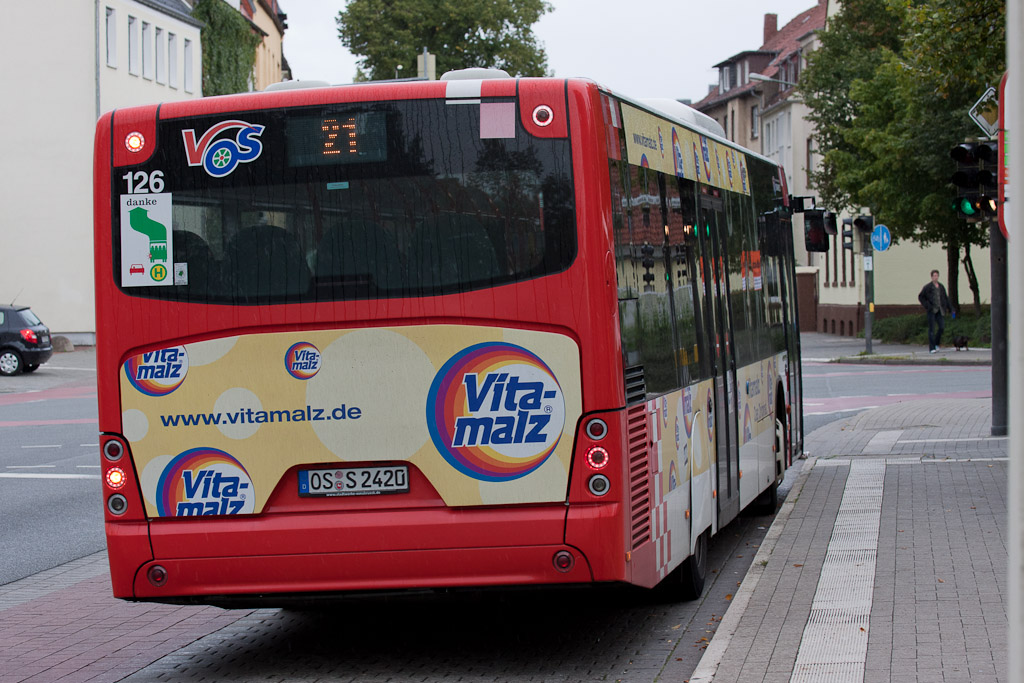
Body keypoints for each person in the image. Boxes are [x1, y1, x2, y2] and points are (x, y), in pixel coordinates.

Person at [918, 269, 952, 353]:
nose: (935, 277)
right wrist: (927, 305)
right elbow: (921, 296)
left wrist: (951, 308)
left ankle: (936, 343)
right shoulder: (928, 287)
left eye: (937, 276)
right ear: (932, 277)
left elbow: (945, 298)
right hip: (931, 310)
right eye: (934, 276)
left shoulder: (941, 287)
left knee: (941, 327)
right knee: (932, 329)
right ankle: (932, 348)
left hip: (940, 310)